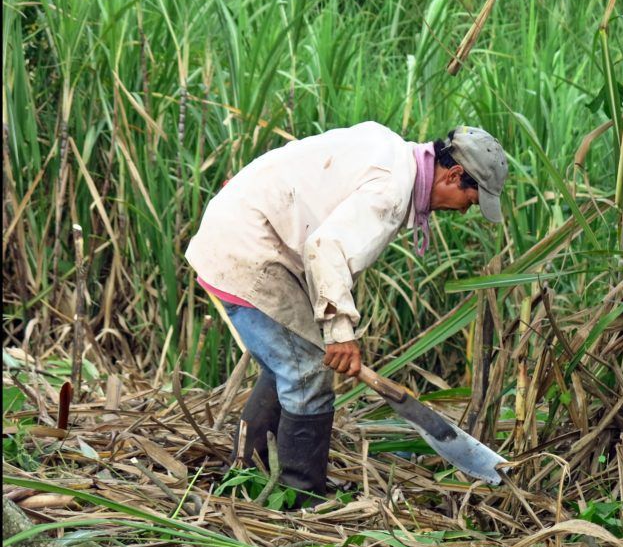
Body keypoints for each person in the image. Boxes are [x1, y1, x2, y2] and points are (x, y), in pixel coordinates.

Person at [185, 122, 508, 506]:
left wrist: (330, 329)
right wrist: (340, 333)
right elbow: (326, 246)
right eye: (471, 200)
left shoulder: (392, 153)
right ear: (454, 175)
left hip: (246, 229)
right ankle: (299, 497)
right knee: (307, 374)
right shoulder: (390, 190)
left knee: (288, 364)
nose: (463, 212)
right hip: (247, 247)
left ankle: (246, 471)